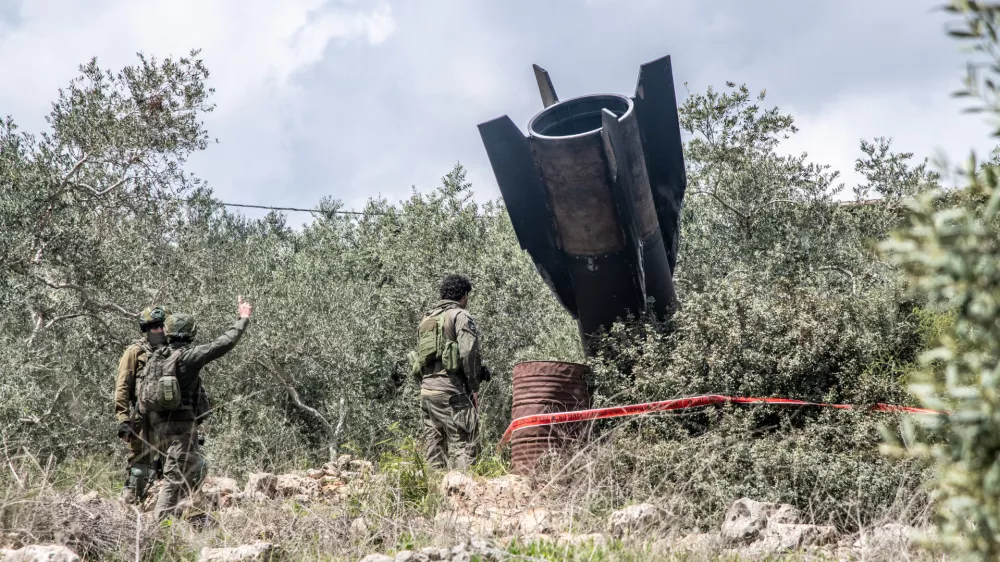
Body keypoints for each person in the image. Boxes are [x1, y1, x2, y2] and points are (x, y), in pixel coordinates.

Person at [149, 296, 253, 521]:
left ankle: (188, 515)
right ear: (190, 334)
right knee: (174, 476)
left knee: (197, 466)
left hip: (160, 425)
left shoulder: (158, 356)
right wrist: (242, 319)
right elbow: (223, 344)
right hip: (180, 428)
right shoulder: (187, 358)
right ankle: (157, 531)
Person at [411, 274, 486, 471]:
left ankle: (437, 495)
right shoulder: (460, 315)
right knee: (465, 445)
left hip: (428, 394)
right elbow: (469, 352)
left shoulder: (427, 319)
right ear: (463, 295)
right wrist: (474, 385)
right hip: (453, 392)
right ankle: (464, 494)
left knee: (434, 449)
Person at [114, 306, 170, 504]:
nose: (159, 329)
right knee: (139, 469)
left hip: (170, 419)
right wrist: (123, 419)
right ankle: (129, 509)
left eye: (163, 325)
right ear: (146, 328)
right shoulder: (135, 351)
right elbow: (122, 386)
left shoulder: (173, 351)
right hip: (142, 419)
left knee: (172, 466)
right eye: (154, 326)